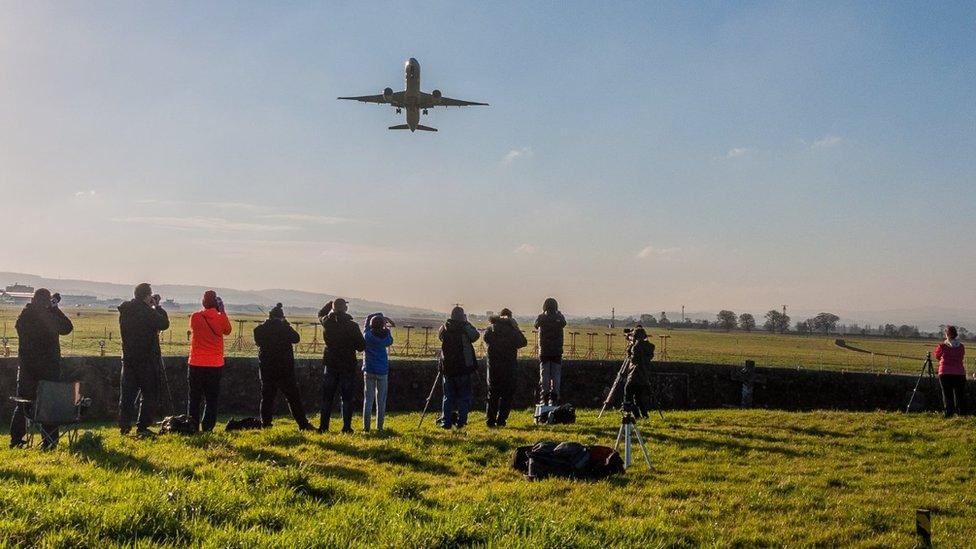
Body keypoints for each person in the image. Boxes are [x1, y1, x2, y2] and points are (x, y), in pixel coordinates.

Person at [10, 289, 73, 449]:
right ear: (46, 301)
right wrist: (54, 308)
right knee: (49, 405)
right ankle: (49, 442)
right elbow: (67, 327)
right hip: (48, 368)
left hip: (27, 368)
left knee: (22, 405)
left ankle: (16, 440)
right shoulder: (47, 316)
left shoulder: (24, 316)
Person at [118, 283, 170, 437]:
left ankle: (124, 425)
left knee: (127, 394)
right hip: (147, 359)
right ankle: (143, 425)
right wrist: (157, 307)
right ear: (147, 296)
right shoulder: (147, 312)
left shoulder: (125, 310)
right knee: (149, 394)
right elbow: (164, 324)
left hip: (128, 358)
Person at [253, 303, 314, 431]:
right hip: (285, 370)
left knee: (267, 398)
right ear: (281, 317)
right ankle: (302, 424)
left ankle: (266, 424)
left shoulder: (259, 330)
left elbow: (259, 342)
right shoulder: (285, 328)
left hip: (267, 369)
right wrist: (286, 324)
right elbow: (296, 339)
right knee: (293, 398)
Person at [186, 290, 232, 432]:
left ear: (203, 302)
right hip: (215, 364)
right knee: (211, 398)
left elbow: (193, 327)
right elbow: (228, 330)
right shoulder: (220, 318)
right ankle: (208, 427)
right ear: (216, 304)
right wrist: (222, 312)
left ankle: (192, 426)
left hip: (196, 363)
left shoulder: (195, 317)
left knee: (194, 398)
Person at [318, 298, 365, 433]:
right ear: (345, 309)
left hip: (330, 363)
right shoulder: (352, 326)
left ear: (333, 308)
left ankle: (323, 427)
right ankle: (346, 427)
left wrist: (329, 305)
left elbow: (320, 314)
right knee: (347, 398)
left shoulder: (327, 322)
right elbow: (361, 347)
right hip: (347, 364)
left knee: (327, 398)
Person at [483, 308, 527, 428]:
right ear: (510, 317)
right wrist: (516, 328)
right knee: (507, 395)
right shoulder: (512, 331)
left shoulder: (491, 329)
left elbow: (485, 339)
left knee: (492, 395)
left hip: (493, 368)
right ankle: (501, 420)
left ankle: (490, 420)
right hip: (509, 368)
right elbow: (523, 342)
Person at [438, 306, 480, 429]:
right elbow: (475, 336)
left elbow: (439, 337)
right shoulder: (465, 327)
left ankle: (446, 422)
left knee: (448, 397)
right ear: (462, 316)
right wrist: (466, 322)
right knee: (464, 396)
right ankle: (461, 422)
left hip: (448, 368)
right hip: (463, 368)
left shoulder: (445, 327)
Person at [362, 312, 394, 432]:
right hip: (382, 371)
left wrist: (371, 317)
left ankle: (366, 428)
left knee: (368, 400)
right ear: (382, 326)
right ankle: (379, 427)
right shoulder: (386, 338)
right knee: (381, 401)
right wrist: (386, 328)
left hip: (369, 369)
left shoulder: (367, 336)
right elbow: (390, 340)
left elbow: (366, 327)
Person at [534, 297, 567, 405]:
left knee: (545, 375)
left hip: (544, 351)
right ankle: (555, 397)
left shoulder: (541, 318)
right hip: (557, 351)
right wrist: (559, 314)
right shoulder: (559, 318)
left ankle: (544, 396)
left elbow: (536, 324)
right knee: (556, 375)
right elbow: (564, 323)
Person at [934, 325, 966, 418]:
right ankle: (961, 413)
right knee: (959, 395)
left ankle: (948, 413)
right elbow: (961, 356)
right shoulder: (961, 346)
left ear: (947, 334)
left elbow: (937, 356)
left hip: (945, 373)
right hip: (959, 373)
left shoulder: (942, 346)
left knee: (947, 394)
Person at [623, 327, 655, 418]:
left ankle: (635, 415)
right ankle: (645, 415)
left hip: (634, 376)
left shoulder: (635, 347)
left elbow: (633, 360)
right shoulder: (650, 347)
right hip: (644, 377)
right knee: (639, 398)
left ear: (635, 336)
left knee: (628, 396)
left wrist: (630, 347)